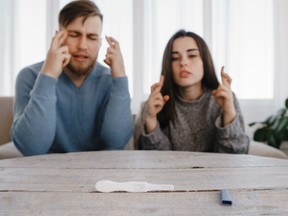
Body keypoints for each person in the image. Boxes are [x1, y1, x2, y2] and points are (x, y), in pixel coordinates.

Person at [11, 0, 134, 156]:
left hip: (100, 171)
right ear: (58, 37)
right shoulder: (29, 76)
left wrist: (120, 78)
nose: (82, 45)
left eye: (91, 37)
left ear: (100, 42)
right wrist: (48, 76)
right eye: (74, 35)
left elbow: (116, 142)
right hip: (46, 172)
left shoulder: (110, 80)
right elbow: (31, 147)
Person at [136, 30, 249, 153]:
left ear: (205, 61)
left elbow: (237, 155)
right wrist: (151, 119)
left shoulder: (225, 98)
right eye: (174, 58)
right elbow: (157, 160)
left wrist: (228, 112)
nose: (183, 62)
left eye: (192, 55)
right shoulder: (155, 104)